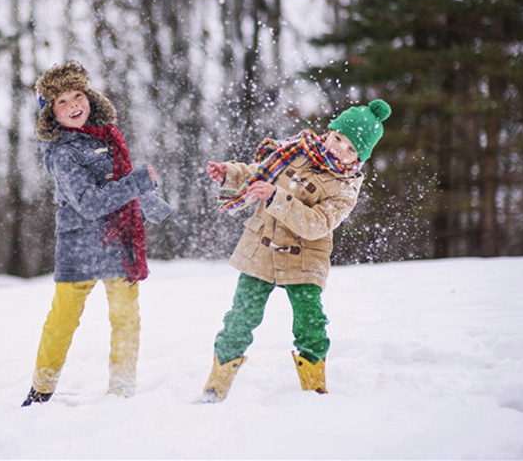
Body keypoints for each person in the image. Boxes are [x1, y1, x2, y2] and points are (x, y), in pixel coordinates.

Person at [200, 99, 391, 402]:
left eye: (351, 148)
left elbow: (317, 224)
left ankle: (314, 388)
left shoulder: (345, 187)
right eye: (338, 138)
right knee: (240, 318)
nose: (339, 148)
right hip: (260, 251)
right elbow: (259, 172)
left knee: (310, 324)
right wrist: (230, 173)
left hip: (304, 260)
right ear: (330, 132)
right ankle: (215, 386)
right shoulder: (296, 152)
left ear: (359, 157)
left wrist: (277, 197)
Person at [22, 61, 172, 407]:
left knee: (126, 319)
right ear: (50, 113)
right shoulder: (62, 152)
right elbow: (89, 203)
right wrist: (137, 181)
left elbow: (116, 184)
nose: (74, 105)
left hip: (117, 243)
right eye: (62, 101)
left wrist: (147, 197)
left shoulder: (106, 135)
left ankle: (122, 390)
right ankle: (40, 390)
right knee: (62, 320)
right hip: (79, 245)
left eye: (78, 95)